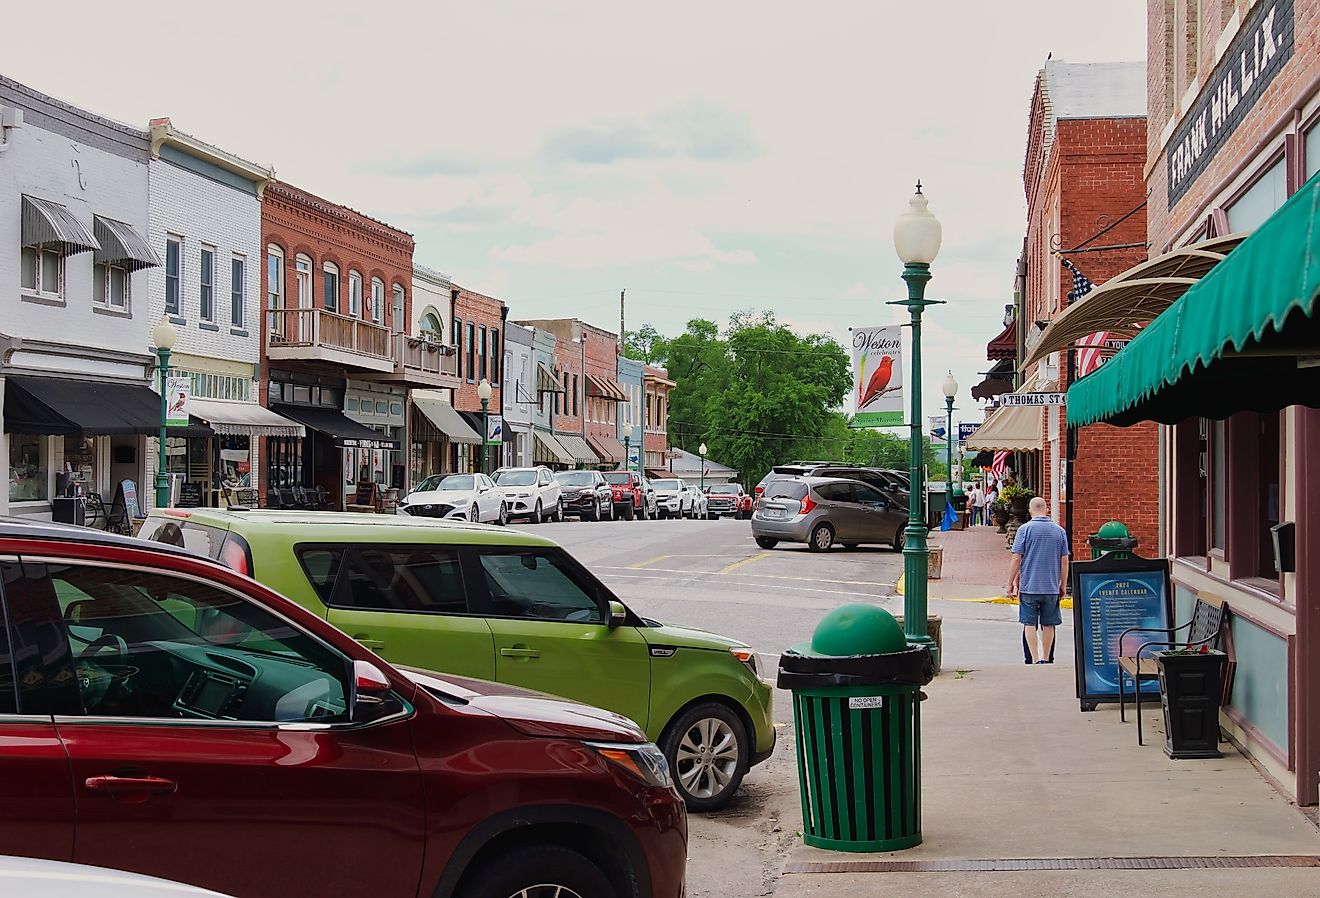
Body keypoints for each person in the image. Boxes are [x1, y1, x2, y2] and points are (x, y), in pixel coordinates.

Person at [1007, 496, 1070, 664]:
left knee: (1029, 624)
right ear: (1046, 510)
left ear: (1030, 511)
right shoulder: (1059, 531)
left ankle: (1034, 659)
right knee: (1049, 624)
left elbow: (1016, 558)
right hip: (1051, 587)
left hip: (1029, 586)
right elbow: (1064, 561)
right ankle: (1046, 657)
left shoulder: (1024, 530)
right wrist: (1062, 584)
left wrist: (1010, 583)